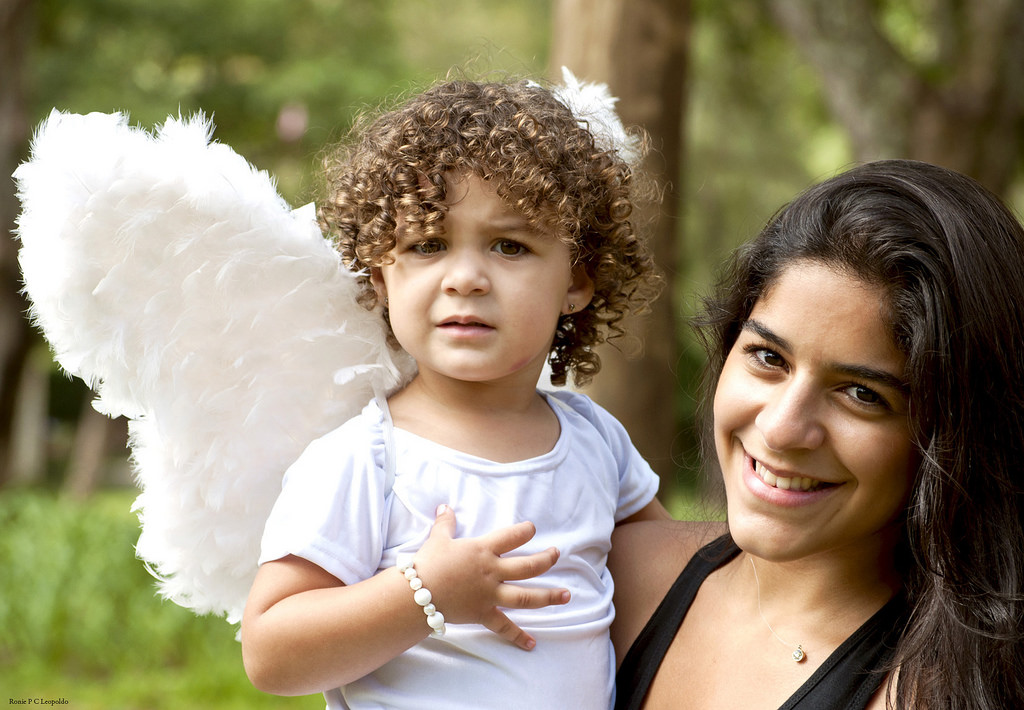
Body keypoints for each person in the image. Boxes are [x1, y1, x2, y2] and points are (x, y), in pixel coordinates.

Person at [241, 73, 669, 710]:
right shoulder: (367, 459)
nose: (465, 277)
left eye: (509, 245)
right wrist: (424, 594)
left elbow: (672, 573)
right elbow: (271, 651)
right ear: (381, 278)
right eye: (428, 244)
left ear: (577, 280)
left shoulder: (594, 439)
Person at [610, 159, 1024, 709]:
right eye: (767, 357)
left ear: (955, 439)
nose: (781, 428)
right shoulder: (609, 574)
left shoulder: (939, 693)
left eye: (861, 394)